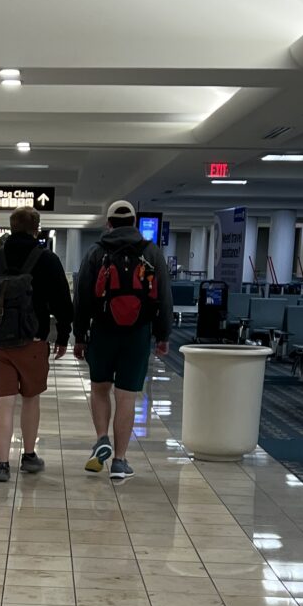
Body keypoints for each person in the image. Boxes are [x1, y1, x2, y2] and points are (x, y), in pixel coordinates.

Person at [73, 200, 172, 480]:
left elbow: (82, 298)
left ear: (108, 223)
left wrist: (79, 337)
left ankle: (102, 437)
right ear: (135, 222)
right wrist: (163, 335)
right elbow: (164, 297)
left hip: (102, 331)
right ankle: (119, 461)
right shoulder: (152, 252)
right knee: (127, 397)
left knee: (100, 389)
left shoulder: (96, 252)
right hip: (137, 334)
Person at [0, 206, 73, 482]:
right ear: (36, 229)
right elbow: (64, 303)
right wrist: (63, 336)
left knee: (3, 403)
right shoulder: (48, 259)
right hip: (33, 341)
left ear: (11, 226)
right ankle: (28, 455)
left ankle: (2, 464)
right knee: (30, 399)